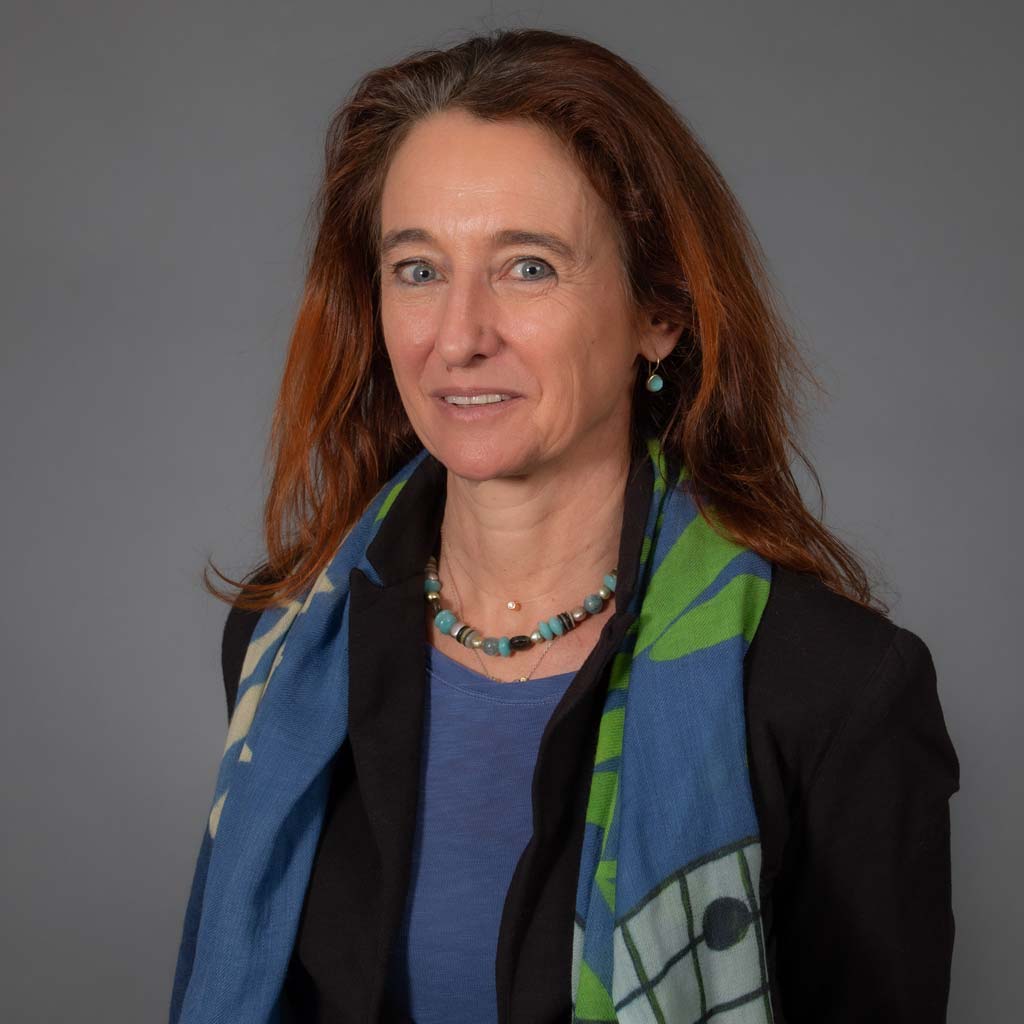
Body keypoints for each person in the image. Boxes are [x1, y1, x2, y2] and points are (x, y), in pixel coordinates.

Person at [169, 27, 960, 1024]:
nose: (459, 337)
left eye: (528, 268)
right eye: (417, 269)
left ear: (659, 313)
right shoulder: (282, 646)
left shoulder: (834, 693)